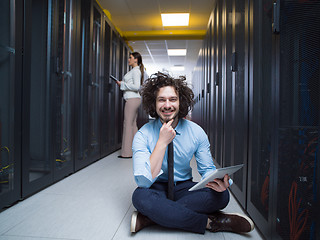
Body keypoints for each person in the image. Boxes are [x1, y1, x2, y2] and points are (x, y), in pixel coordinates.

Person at [130, 72, 254, 234]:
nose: (167, 105)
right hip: (155, 188)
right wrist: (162, 142)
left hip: (184, 187)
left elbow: (207, 170)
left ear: (181, 102)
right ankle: (212, 222)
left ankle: (150, 218)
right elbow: (144, 182)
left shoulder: (196, 132)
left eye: (173, 99)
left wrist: (220, 182)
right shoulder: (142, 135)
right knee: (140, 197)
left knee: (222, 196)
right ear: (154, 104)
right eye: (162, 100)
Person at [116, 52, 144, 158]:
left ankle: (127, 153)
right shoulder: (134, 71)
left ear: (136, 59)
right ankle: (136, 150)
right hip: (135, 99)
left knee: (127, 124)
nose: (128, 59)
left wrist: (122, 84)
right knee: (132, 125)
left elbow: (137, 87)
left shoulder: (136, 71)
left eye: (130, 58)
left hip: (132, 100)